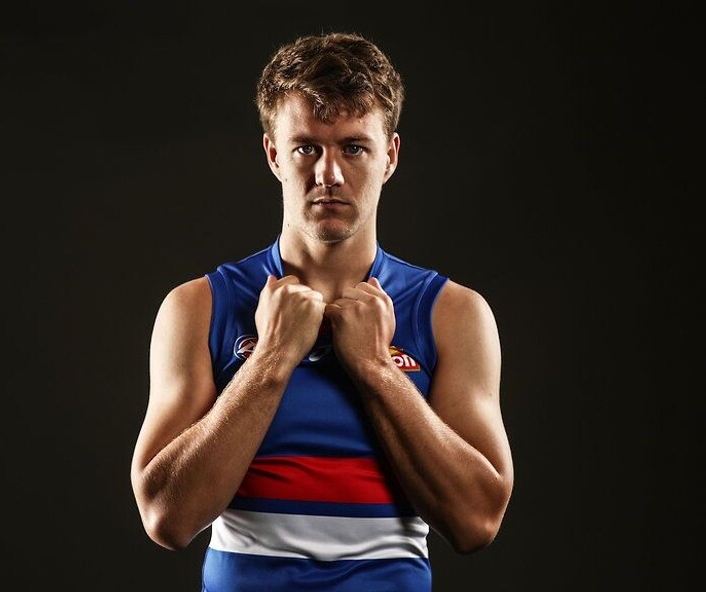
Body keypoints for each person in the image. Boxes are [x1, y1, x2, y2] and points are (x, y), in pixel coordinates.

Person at [130, 31, 514, 591]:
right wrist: (270, 360)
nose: (329, 174)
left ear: (390, 156)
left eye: (353, 148)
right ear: (273, 155)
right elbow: (166, 516)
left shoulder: (452, 314)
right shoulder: (199, 307)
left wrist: (377, 370)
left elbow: (477, 521)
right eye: (306, 147)